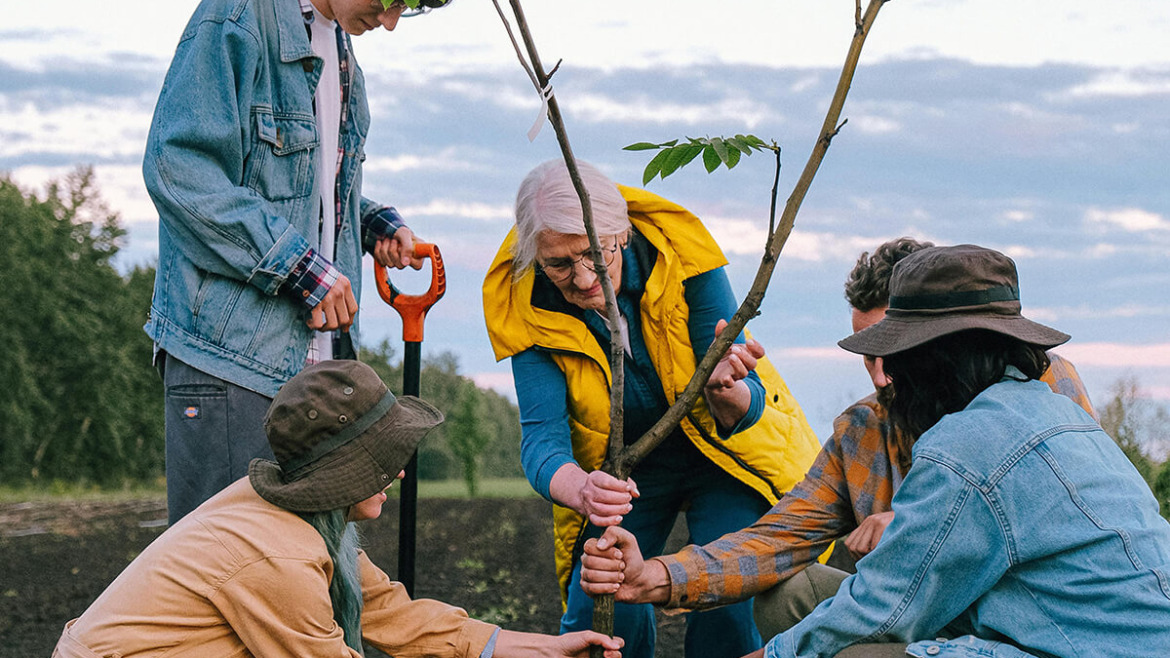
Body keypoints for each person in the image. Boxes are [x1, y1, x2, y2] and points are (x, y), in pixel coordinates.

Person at [587, 244, 1170, 657]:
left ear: (940, 353)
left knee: (850, 652)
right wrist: (655, 576)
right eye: (872, 354)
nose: (884, 375)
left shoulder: (1033, 397)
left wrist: (916, 527)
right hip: (953, 615)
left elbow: (887, 600)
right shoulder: (864, 428)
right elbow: (778, 539)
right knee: (793, 596)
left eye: (896, 352)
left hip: (1039, 628)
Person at [52, 360, 624, 658]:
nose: (398, 474)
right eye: (383, 461)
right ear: (340, 473)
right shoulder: (278, 555)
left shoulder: (308, 523)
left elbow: (388, 612)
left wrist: (547, 648)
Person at [481, 159, 822, 658]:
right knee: (602, 596)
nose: (581, 279)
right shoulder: (524, 303)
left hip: (723, 458)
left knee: (728, 596)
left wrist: (726, 392)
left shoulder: (685, 256)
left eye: (594, 255)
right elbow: (541, 441)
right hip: (626, 473)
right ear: (535, 257)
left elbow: (748, 412)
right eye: (558, 264)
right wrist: (583, 488)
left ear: (621, 233)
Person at [143, 0, 446, 524]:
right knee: (228, 565)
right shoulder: (236, 18)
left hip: (316, 360)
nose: (392, 21)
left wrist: (372, 223)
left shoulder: (340, 46)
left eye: (411, 8)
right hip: (232, 359)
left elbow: (303, 190)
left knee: (308, 562)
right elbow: (180, 170)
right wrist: (301, 268)